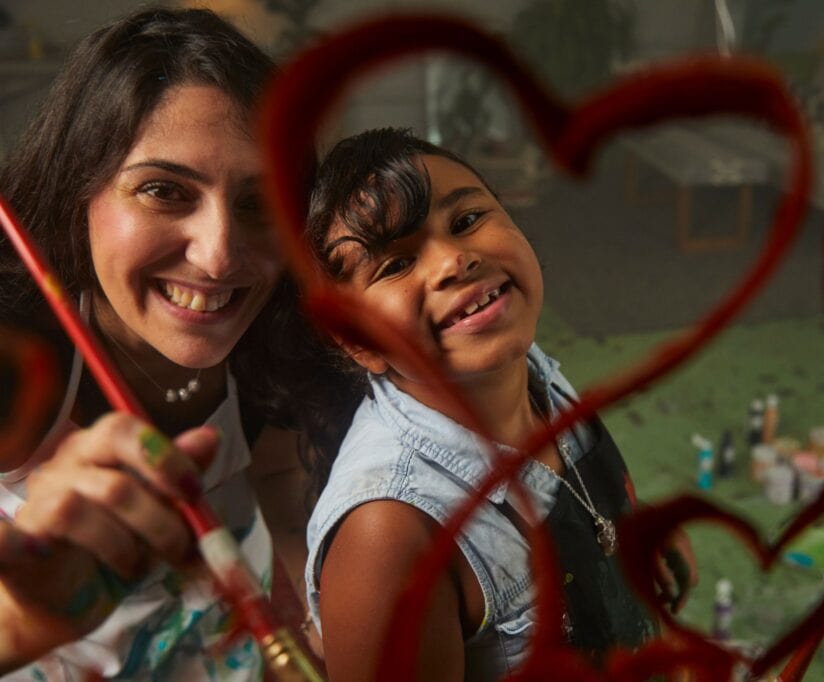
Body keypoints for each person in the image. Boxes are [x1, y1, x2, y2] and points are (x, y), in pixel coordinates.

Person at [0, 7, 345, 679]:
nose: (219, 256)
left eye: (258, 201)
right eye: (163, 191)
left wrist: (308, 601)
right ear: (80, 190)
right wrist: (20, 624)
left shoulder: (272, 336)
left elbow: (277, 472)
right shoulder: (16, 361)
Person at [302, 128, 697, 681]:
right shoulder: (390, 539)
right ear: (358, 342)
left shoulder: (532, 371)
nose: (452, 261)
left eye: (465, 222)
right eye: (394, 265)